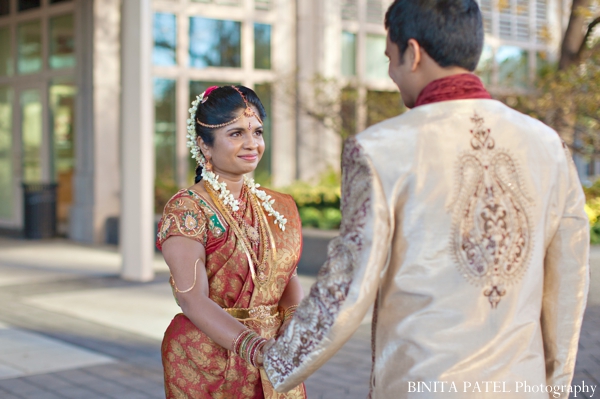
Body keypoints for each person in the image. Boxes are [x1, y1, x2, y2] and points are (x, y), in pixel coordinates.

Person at [262, 1, 590, 398]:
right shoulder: (548, 145)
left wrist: (272, 361)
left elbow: (345, 288)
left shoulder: (380, 149)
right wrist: (554, 388)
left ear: (412, 52)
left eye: (389, 57)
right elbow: (568, 284)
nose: (390, 72)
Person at [156, 85, 306, 398]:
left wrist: (293, 330)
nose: (252, 143)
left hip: (276, 360)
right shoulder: (188, 209)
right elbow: (191, 300)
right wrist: (258, 349)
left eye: (257, 131)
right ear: (204, 145)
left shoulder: (276, 207)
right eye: (236, 133)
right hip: (209, 363)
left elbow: (286, 277)